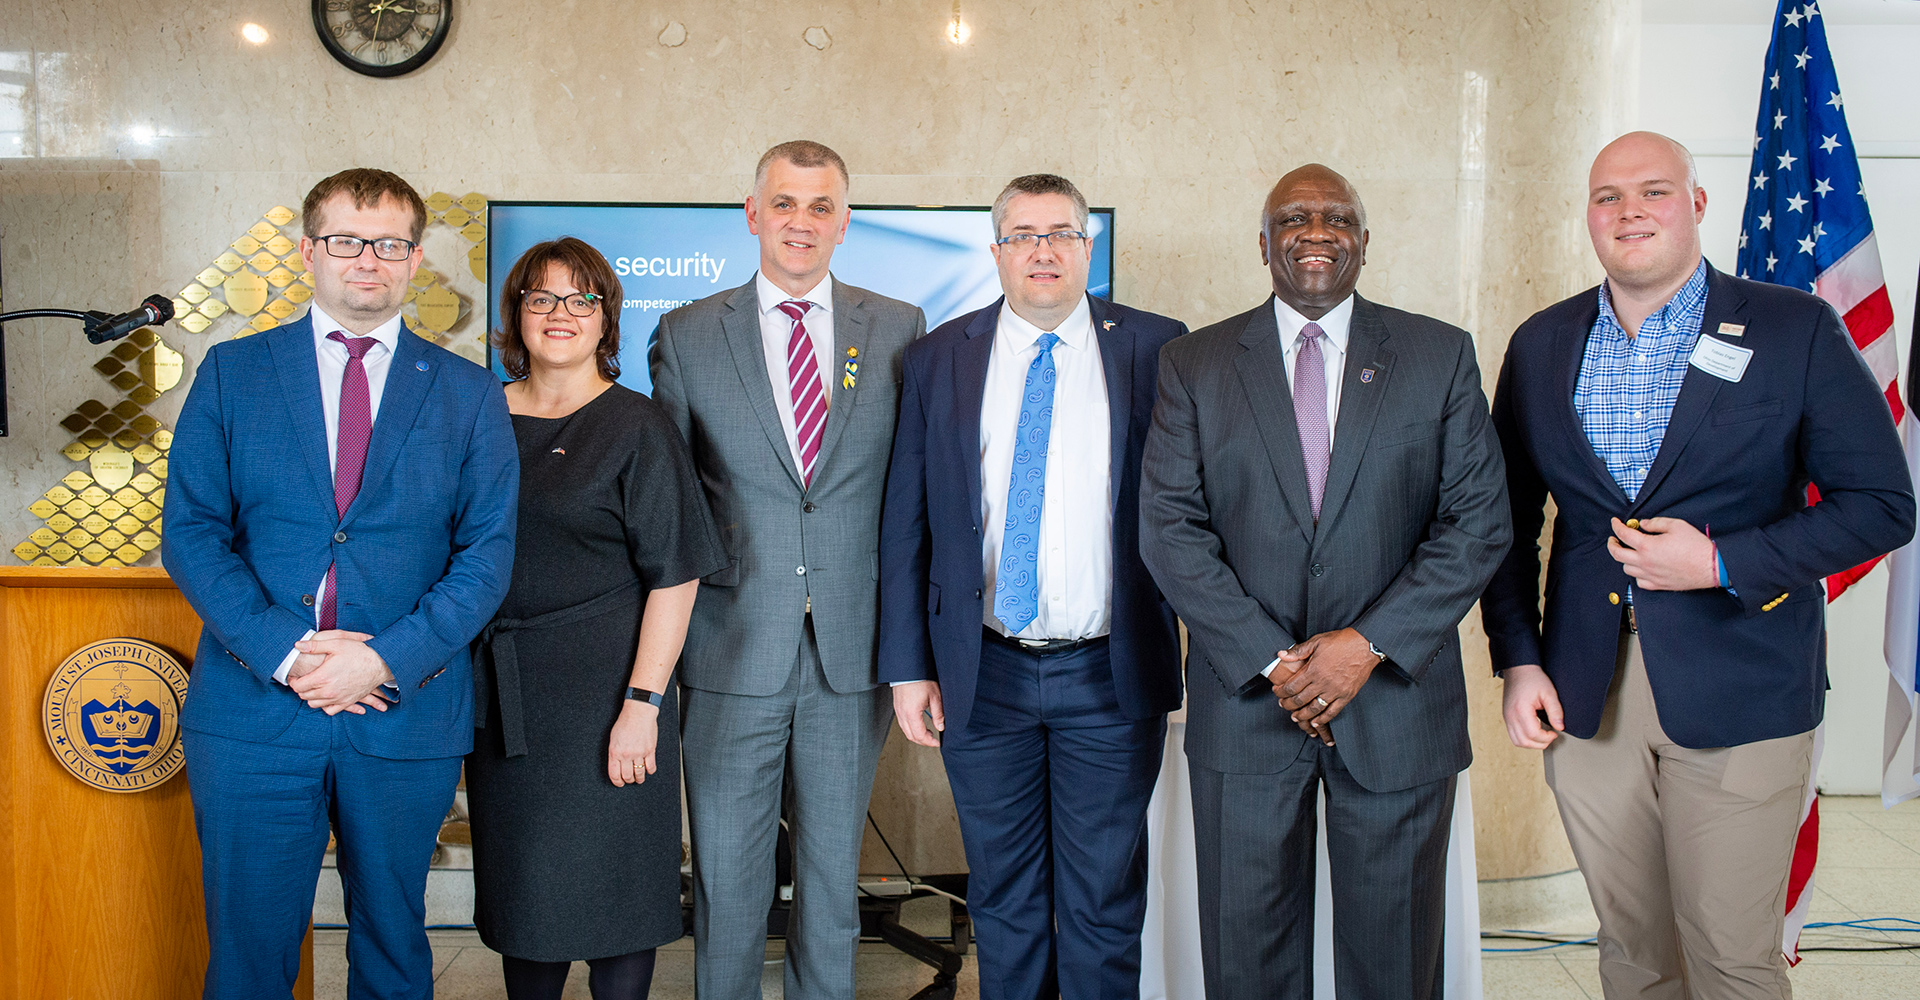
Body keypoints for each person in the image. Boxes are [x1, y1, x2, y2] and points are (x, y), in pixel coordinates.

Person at [1481, 131, 1915, 1000]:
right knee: (1634, 954)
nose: (1630, 212)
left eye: (1654, 191)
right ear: (1589, 216)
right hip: (1586, 693)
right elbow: (1506, 523)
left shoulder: (1794, 329)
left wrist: (1721, 561)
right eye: (1608, 196)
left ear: (1697, 204)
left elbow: (1882, 504)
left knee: (1729, 958)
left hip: (1743, 684)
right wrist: (1518, 658)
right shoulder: (1541, 343)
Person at [1138, 163, 1510, 999]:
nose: (1316, 232)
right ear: (1263, 242)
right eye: (1294, 218)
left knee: (1394, 966)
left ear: (1365, 242)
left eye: (1337, 218)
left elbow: (1478, 522)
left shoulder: (1438, 354)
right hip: (1247, 709)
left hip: (1397, 707)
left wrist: (1365, 646)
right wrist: (1277, 661)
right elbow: (1169, 527)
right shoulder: (1193, 363)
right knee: (1247, 965)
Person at [162, 167, 519, 998]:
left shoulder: (468, 394)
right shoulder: (232, 372)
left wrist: (382, 660)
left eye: (390, 244)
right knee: (248, 956)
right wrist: (288, 654)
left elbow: (486, 556)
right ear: (308, 252)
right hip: (253, 710)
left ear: (416, 259)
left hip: (401, 711)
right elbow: (192, 534)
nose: (369, 259)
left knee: (393, 946)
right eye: (348, 240)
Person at [878, 174, 1185, 1000]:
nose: (1042, 250)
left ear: (1087, 247)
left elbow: (1192, 508)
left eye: (1060, 234)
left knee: (1103, 901)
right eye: (1022, 235)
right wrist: (909, 668)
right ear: (996, 252)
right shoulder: (939, 357)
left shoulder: (1158, 348)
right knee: (1004, 898)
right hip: (984, 670)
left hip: (1110, 670)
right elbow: (907, 521)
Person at [648, 139, 927, 1000]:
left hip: (852, 648)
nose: (800, 222)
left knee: (833, 879)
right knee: (728, 881)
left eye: (820, 206)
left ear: (844, 222)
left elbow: (913, 492)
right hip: (731, 643)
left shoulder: (898, 326)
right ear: (752, 214)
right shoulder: (687, 333)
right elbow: (670, 506)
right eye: (784, 203)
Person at [466, 237, 725, 1000]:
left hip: (611, 697)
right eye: (541, 297)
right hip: (506, 702)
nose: (561, 313)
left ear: (606, 317)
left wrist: (643, 705)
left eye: (581, 299)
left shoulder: (637, 425)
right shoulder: (477, 417)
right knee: (526, 903)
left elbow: (676, 576)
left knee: (619, 905)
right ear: (516, 312)